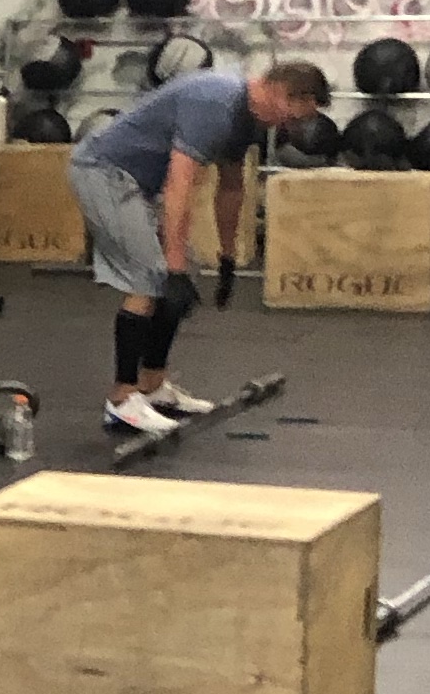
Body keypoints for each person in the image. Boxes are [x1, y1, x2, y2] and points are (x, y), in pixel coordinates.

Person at [71, 53, 333, 435]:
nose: (288, 125)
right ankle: (121, 401)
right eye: (292, 116)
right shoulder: (216, 103)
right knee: (150, 275)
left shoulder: (248, 119)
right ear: (280, 92)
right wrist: (173, 267)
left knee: (180, 275)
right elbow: (179, 187)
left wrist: (227, 258)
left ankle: (152, 386)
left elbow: (231, 187)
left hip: (139, 183)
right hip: (103, 172)